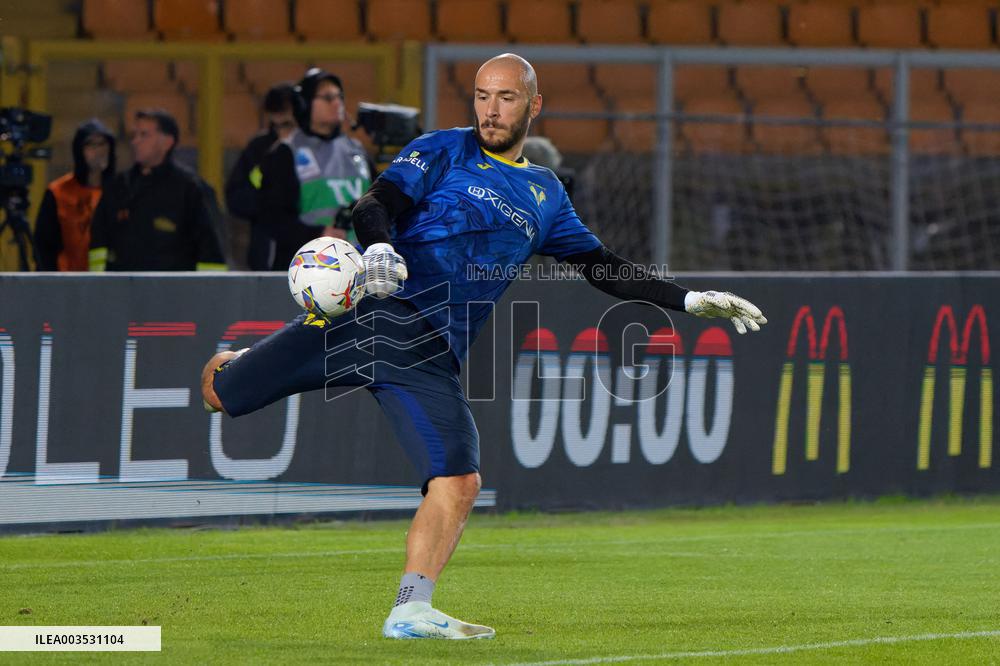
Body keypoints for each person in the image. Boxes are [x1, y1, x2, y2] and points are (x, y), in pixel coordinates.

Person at [200, 54, 767, 640]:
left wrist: (691, 299)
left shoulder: (546, 195)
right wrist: (377, 248)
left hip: (424, 349)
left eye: (506, 98)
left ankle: (410, 609)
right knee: (221, 394)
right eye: (481, 96)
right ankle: (240, 363)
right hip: (368, 316)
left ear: (533, 105)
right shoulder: (442, 149)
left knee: (459, 480)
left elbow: (603, 268)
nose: (491, 110)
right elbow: (374, 205)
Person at [257, 68, 372, 270]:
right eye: (328, 98)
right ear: (305, 103)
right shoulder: (285, 153)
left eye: (339, 97)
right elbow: (272, 219)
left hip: (358, 267)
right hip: (306, 269)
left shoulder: (358, 151)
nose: (337, 103)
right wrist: (317, 234)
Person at [88, 109, 226, 271]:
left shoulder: (191, 189)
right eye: (135, 135)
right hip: (122, 292)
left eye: (144, 135)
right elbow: (98, 245)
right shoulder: (118, 187)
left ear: (167, 142)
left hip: (174, 292)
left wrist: (205, 293)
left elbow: (211, 252)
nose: (135, 141)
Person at [225, 83, 297, 270]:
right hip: (268, 258)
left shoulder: (322, 149)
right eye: (277, 124)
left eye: (288, 124)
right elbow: (236, 198)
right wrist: (271, 202)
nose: (283, 131)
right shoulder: (260, 149)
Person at [34, 119, 116, 271]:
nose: (98, 150)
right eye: (91, 144)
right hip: (65, 280)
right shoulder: (58, 192)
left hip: (109, 281)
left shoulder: (120, 190)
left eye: (103, 144)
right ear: (79, 150)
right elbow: (43, 245)